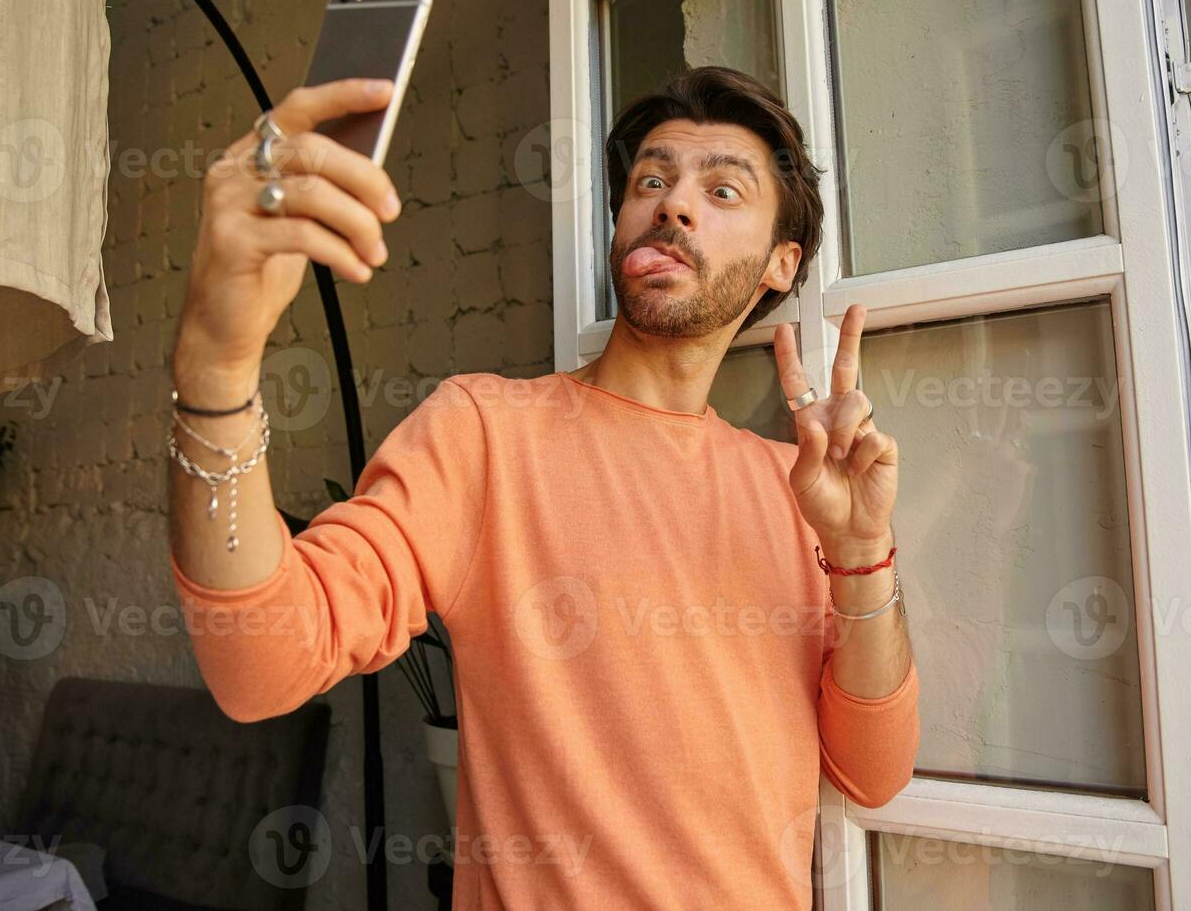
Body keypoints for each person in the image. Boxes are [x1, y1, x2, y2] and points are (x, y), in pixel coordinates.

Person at [167, 65, 918, 909]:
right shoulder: (487, 433)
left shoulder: (799, 486)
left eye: (723, 191)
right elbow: (259, 662)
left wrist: (860, 553)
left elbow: (873, 772)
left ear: (781, 264)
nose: (673, 204)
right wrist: (217, 360)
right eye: (653, 180)